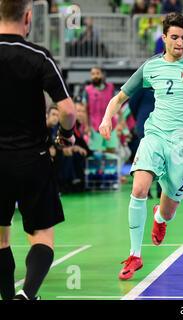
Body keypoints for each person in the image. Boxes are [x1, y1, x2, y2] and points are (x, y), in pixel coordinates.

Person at [99, 12, 183, 280]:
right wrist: (106, 118)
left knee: (168, 210)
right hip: (155, 135)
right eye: (175, 37)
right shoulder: (151, 66)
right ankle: (135, 255)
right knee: (139, 188)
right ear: (164, 37)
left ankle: (160, 218)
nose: (180, 43)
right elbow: (119, 97)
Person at [0, 0, 76, 300]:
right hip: (34, 160)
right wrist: (66, 137)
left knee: (1, 239)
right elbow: (68, 110)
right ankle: (27, 294)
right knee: (42, 238)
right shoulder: (38, 55)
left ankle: (8, 298)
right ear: (28, 16)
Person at [83, 67, 122, 153]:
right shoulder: (87, 90)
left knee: (111, 152)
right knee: (97, 153)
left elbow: (117, 104)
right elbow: (85, 110)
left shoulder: (110, 87)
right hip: (95, 127)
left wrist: (121, 121)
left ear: (102, 75)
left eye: (97, 73)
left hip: (111, 125)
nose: (95, 76)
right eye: (93, 74)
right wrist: (86, 126)